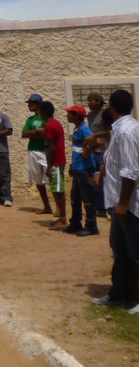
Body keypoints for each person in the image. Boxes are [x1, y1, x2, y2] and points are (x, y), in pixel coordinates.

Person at [92, 89, 139, 312]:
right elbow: (115, 162)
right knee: (119, 250)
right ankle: (117, 293)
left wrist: (122, 203)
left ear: (111, 106)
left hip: (128, 205)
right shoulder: (119, 130)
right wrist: (102, 170)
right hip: (117, 203)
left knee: (136, 253)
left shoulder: (127, 132)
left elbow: (130, 171)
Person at [64, 105, 98, 236]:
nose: (68, 116)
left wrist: (88, 151)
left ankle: (91, 225)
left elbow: (95, 141)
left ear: (77, 116)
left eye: (70, 114)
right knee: (75, 197)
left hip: (85, 169)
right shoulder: (78, 129)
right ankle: (75, 223)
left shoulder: (84, 129)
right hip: (78, 168)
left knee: (87, 198)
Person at [21, 93, 53, 215]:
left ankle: (58, 207)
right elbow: (24, 134)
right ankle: (47, 206)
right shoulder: (30, 120)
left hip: (45, 151)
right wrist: (37, 132)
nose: (29, 105)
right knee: (38, 181)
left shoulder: (46, 119)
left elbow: (47, 133)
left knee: (51, 179)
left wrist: (33, 133)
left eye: (31, 103)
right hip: (33, 150)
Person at [41, 101, 68, 229]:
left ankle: (63, 218)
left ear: (43, 112)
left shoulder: (49, 126)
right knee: (56, 189)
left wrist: (49, 165)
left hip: (56, 162)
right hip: (58, 161)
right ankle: (61, 217)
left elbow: (51, 147)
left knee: (58, 190)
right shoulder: (56, 123)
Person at [84, 93, 109, 216]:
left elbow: (107, 132)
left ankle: (104, 207)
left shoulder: (104, 116)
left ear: (98, 102)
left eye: (90, 100)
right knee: (93, 180)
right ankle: (97, 206)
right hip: (92, 150)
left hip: (101, 151)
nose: (88, 103)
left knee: (101, 179)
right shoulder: (89, 116)